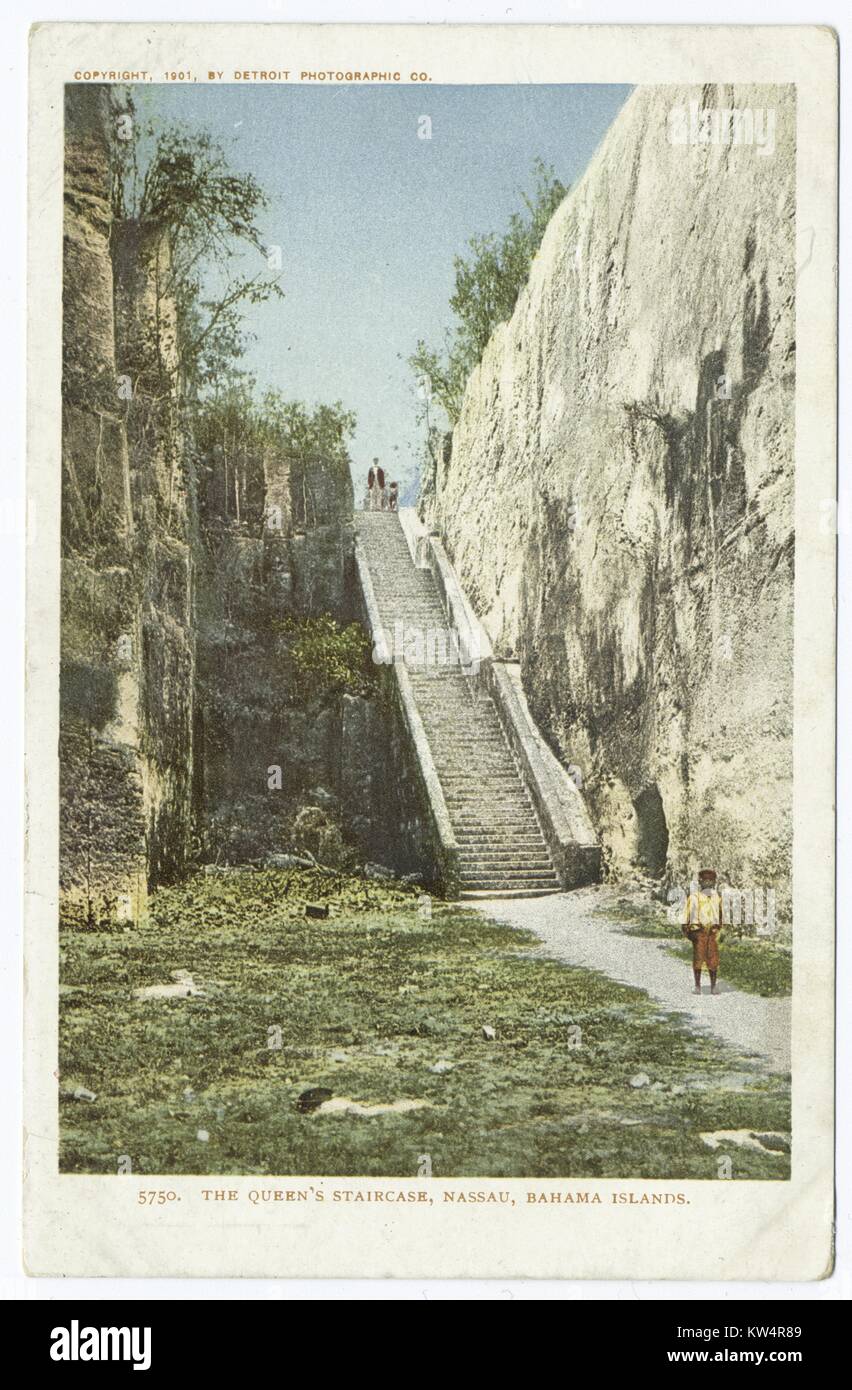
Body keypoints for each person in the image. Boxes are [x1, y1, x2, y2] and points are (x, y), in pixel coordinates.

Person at [681, 867, 723, 995]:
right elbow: (686, 916)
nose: (708, 883)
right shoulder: (694, 897)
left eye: (711, 881)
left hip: (712, 932)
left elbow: (721, 914)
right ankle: (697, 986)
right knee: (698, 958)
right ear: (700, 882)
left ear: (714, 882)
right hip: (699, 932)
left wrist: (719, 928)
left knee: (713, 959)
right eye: (705, 881)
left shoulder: (717, 897)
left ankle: (713, 986)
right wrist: (688, 931)